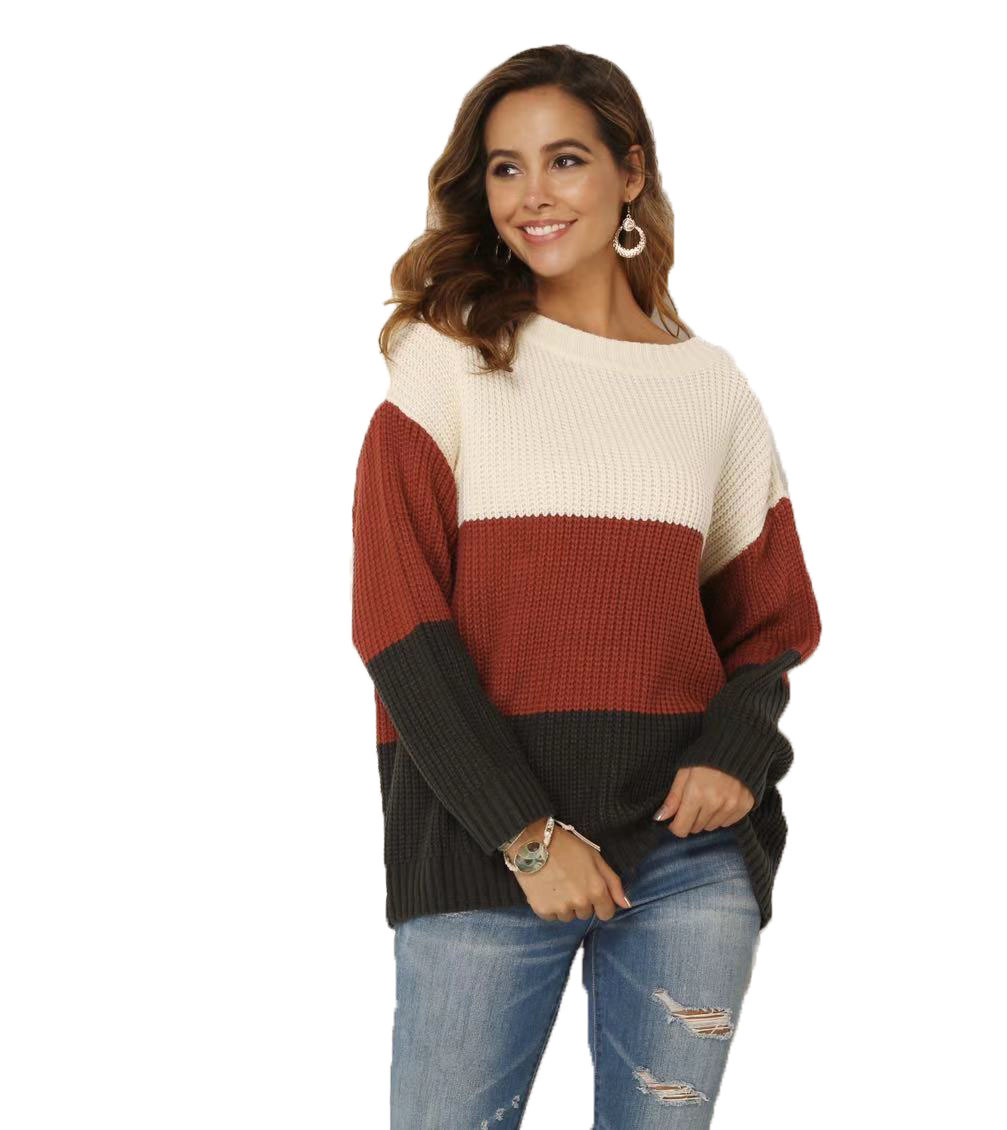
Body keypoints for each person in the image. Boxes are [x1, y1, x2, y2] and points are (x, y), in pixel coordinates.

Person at [351, 44, 822, 1128]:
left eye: (565, 159)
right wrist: (525, 833)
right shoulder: (444, 359)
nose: (533, 194)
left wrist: (733, 751)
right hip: (481, 851)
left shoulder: (709, 385)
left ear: (630, 172)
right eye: (504, 168)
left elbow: (771, 620)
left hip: (685, 860)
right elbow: (396, 620)